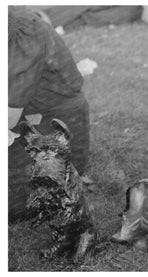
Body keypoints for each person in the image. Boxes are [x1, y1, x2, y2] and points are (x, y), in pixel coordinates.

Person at [8, 6, 90, 222]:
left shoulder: (21, 30)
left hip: (53, 124)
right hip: (25, 118)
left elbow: (8, 117)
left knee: (19, 197)